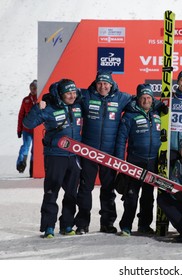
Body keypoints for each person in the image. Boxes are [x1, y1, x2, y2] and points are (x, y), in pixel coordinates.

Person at [75, 70, 133, 235]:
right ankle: (82, 224)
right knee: (85, 188)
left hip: (109, 154)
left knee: (108, 189)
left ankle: (107, 223)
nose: (102, 86)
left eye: (105, 83)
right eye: (100, 83)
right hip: (89, 152)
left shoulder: (120, 98)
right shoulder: (85, 95)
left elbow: (141, 101)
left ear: (111, 84)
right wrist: (48, 98)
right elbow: (63, 90)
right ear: (95, 83)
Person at [23, 79, 82, 238]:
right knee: (51, 192)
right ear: (61, 94)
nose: (72, 96)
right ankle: (49, 227)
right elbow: (28, 123)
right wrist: (37, 108)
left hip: (74, 155)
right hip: (55, 155)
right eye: (68, 93)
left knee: (71, 193)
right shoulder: (49, 107)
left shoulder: (77, 105)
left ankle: (67, 225)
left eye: (73, 92)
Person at [114, 84, 161, 236]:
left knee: (148, 197)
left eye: (148, 98)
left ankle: (144, 225)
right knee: (131, 196)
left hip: (153, 162)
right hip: (135, 161)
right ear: (138, 99)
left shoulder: (157, 114)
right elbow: (121, 140)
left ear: (152, 99)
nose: (146, 100)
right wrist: (121, 163)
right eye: (143, 98)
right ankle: (126, 226)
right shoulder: (129, 115)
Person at [16, 79, 37, 176]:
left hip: (37, 130)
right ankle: (21, 163)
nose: (33, 90)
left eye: (35, 88)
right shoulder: (26, 100)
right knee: (25, 146)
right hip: (27, 130)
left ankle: (33, 169)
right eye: (31, 88)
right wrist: (19, 130)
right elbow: (21, 115)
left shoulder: (41, 99)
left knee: (35, 150)